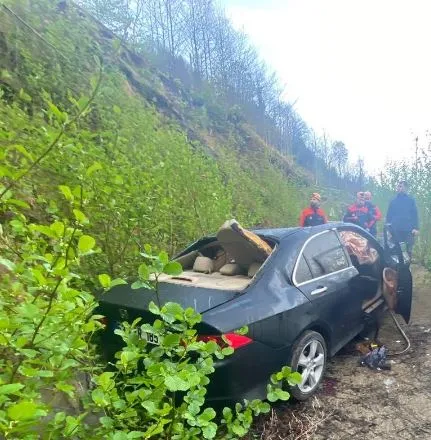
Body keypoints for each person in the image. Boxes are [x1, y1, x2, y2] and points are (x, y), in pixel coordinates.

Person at [386, 180, 419, 258]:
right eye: (398, 186)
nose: (398, 188)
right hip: (395, 229)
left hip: (408, 230)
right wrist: (388, 229)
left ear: (406, 188)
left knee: (408, 250)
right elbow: (389, 216)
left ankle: (407, 267)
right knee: (396, 249)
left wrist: (416, 228)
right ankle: (397, 268)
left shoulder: (411, 200)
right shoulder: (393, 201)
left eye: (401, 186)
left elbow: (415, 215)